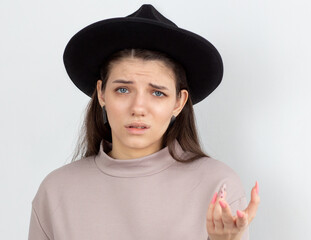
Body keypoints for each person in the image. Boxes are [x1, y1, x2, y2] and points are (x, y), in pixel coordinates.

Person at [28, 4, 260, 240]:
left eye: (157, 93)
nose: (138, 108)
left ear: (179, 102)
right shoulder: (56, 191)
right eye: (122, 90)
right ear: (101, 93)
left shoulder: (218, 188)